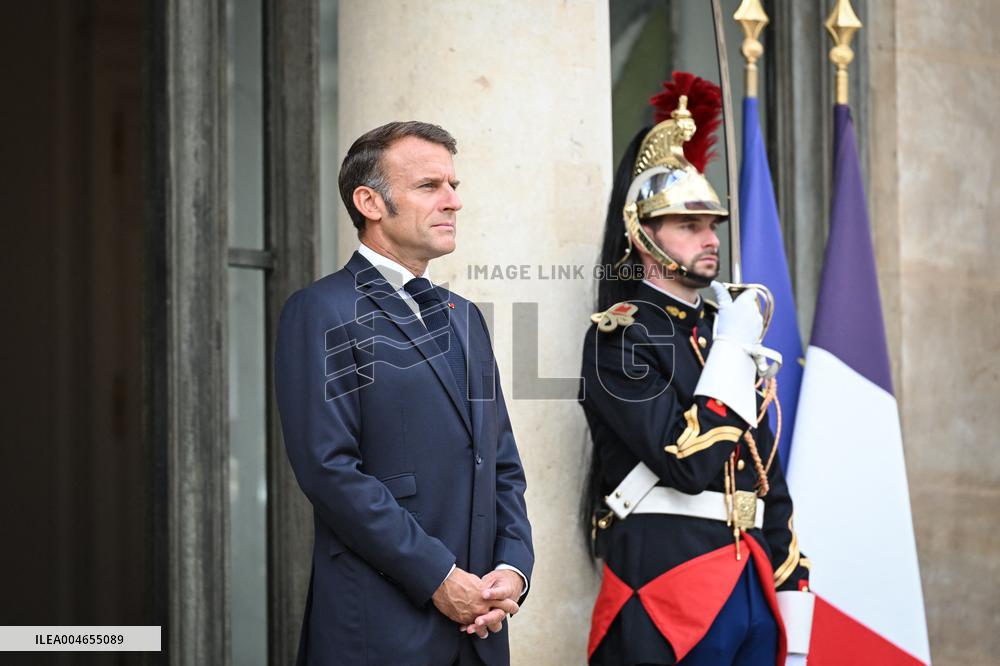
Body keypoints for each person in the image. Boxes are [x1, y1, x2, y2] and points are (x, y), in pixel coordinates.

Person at [275, 121, 533, 666]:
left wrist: (512, 570)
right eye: (429, 186)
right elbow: (329, 470)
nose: (453, 201)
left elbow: (501, 463)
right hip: (381, 631)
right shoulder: (320, 310)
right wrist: (439, 577)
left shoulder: (465, 317)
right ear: (369, 202)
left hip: (482, 630)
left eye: (454, 185)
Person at [579, 73, 813, 665]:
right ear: (642, 235)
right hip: (667, 586)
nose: (710, 238)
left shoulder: (720, 333)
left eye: (711, 225)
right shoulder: (621, 336)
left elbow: (766, 477)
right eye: (689, 225)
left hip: (751, 579)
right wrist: (732, 350)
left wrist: (792, 596)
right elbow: (687, 463)